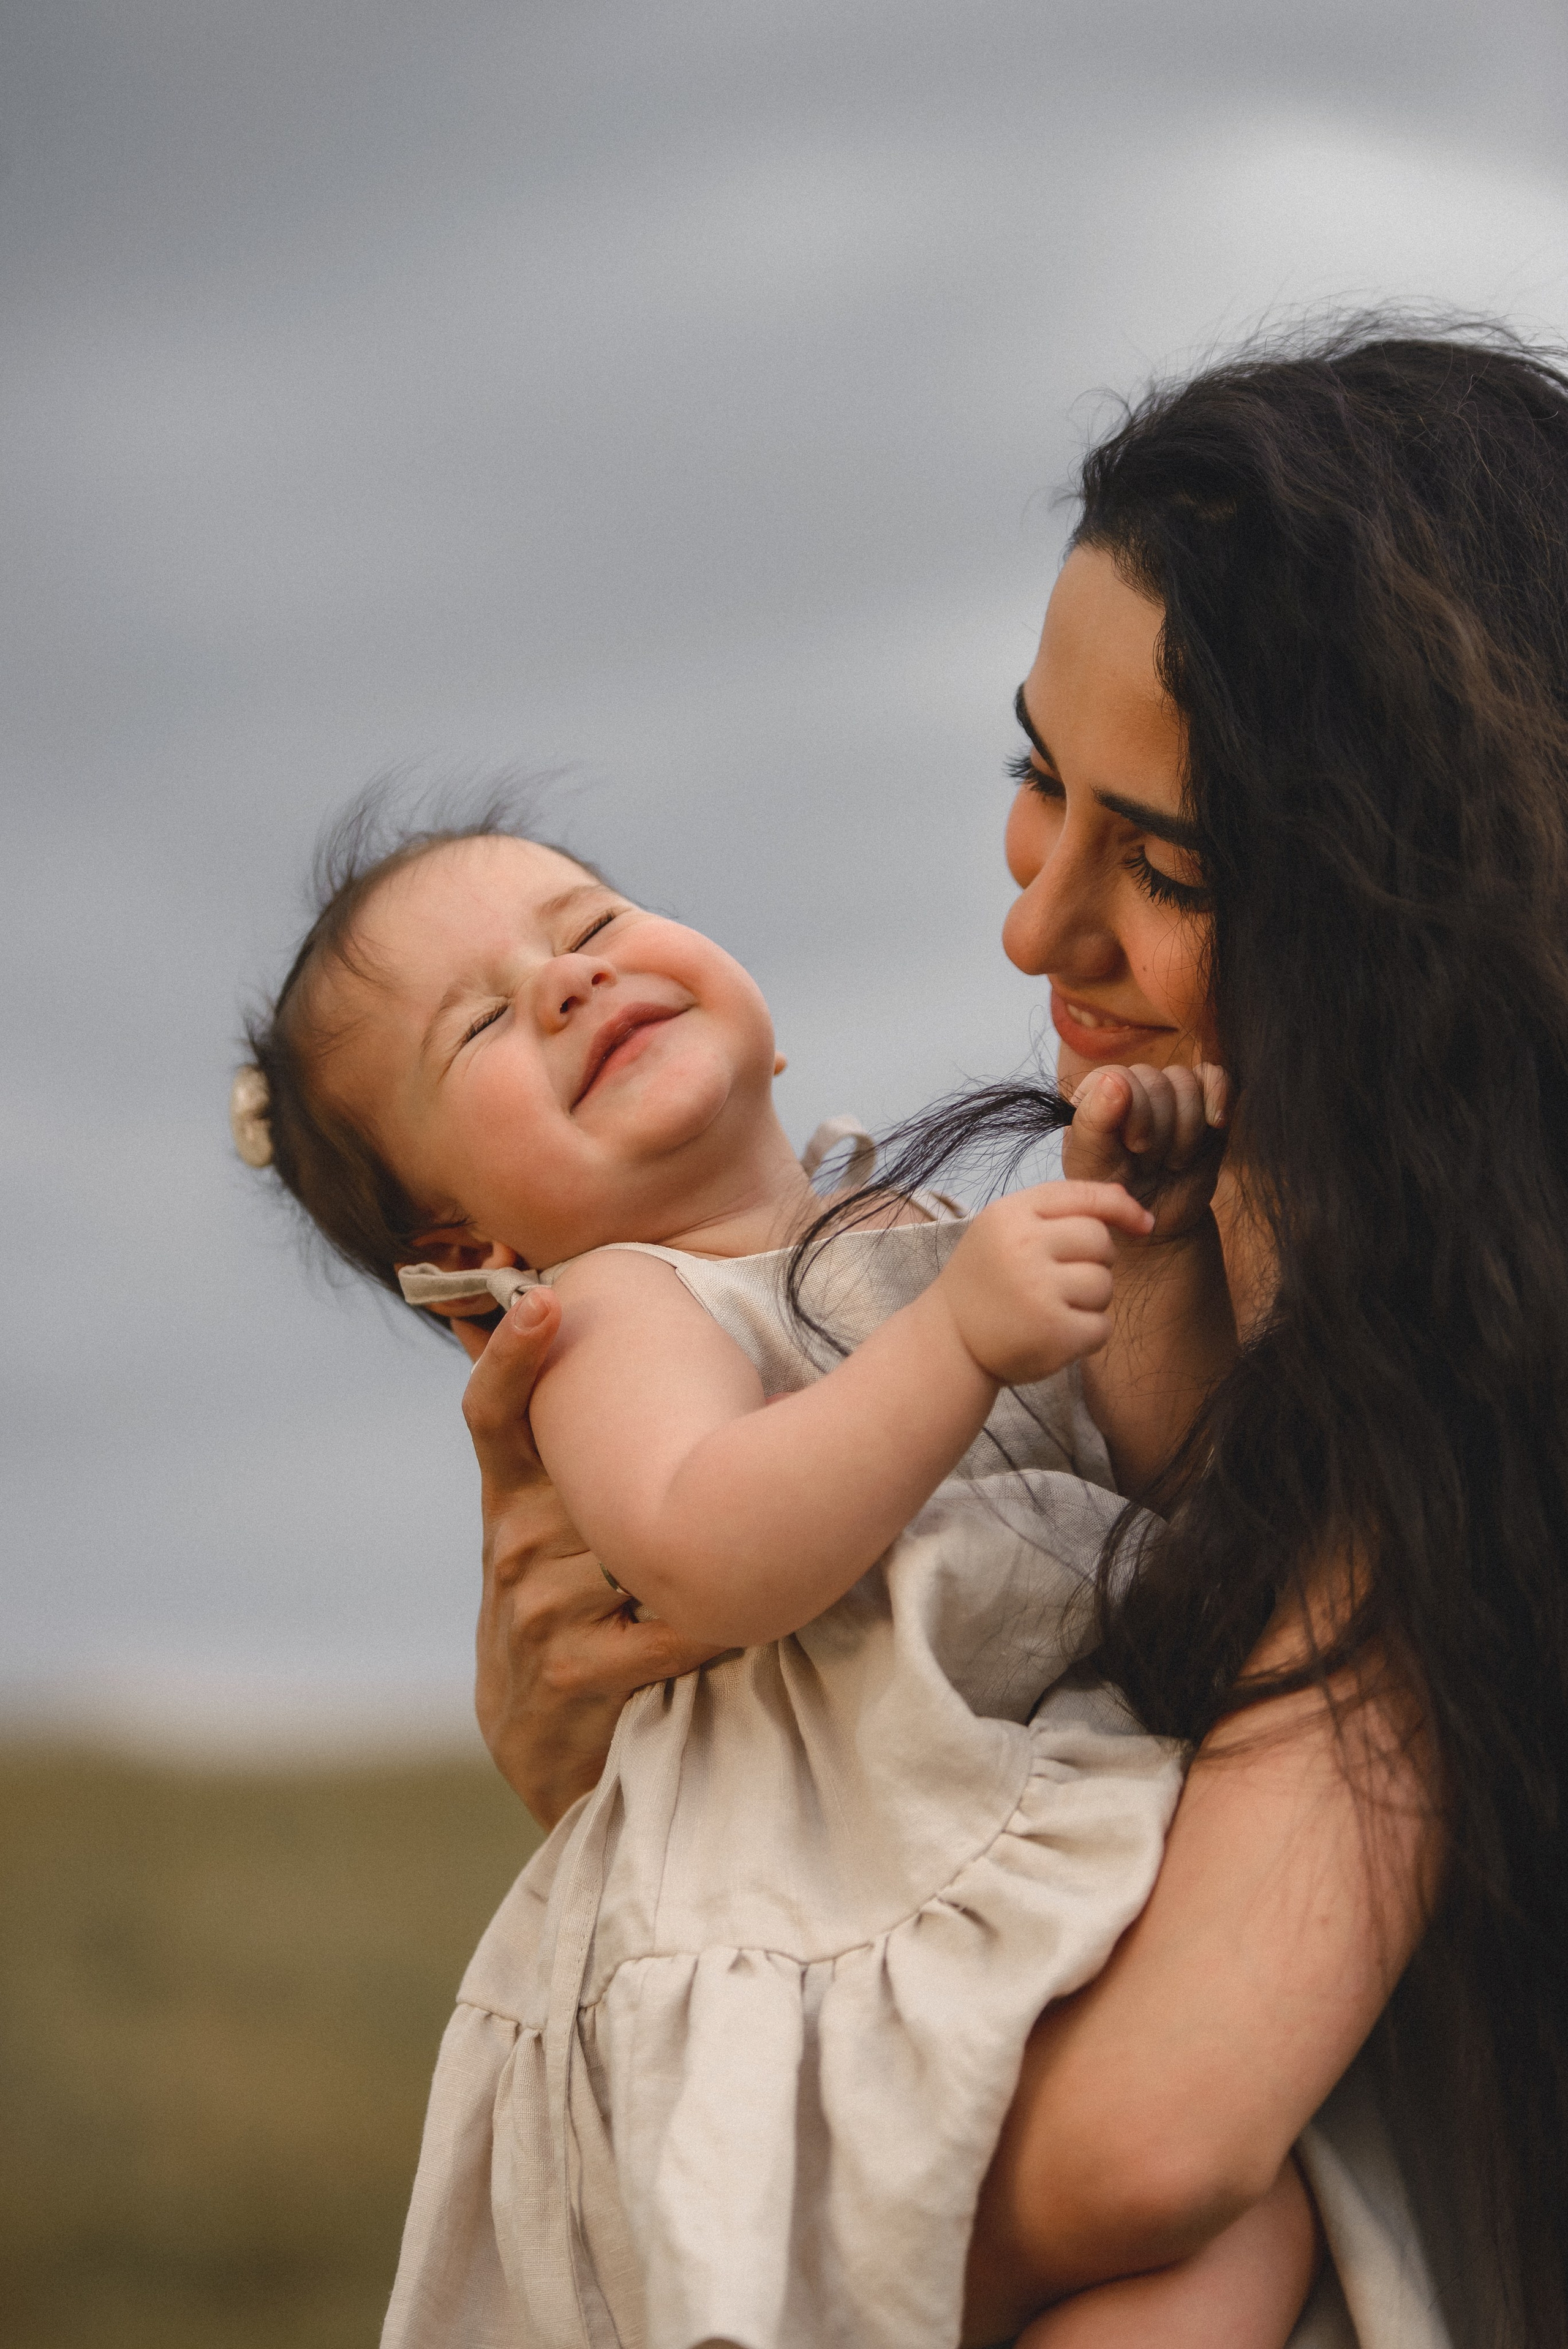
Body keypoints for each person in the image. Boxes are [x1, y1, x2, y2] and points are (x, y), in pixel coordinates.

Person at [451, 324, 1568, 2349]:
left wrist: (663, 2186)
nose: (1037, 928)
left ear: (1423, 903)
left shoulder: (1462, 1391)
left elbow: (1140, 2132)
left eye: (1173, 860)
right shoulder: (1120, 1240)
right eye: (1038, 783)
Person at [232, 805, 1322, 2347]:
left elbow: (1130, 1482)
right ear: (461, 1236)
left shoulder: (916, 1228)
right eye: (479, 1019)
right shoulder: (614, 1315)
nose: (565, 982)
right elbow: (708, 1545)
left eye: (591, 926)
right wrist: (952, 1342)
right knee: (1207, 2201)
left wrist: (1139, 1250)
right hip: (831, 1909)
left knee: (1246, 2232)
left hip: (1016, 1849)